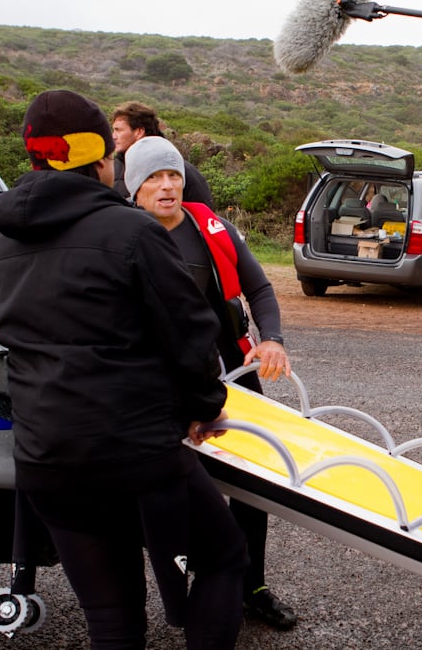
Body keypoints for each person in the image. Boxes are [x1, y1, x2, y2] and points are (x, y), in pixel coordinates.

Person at [0, 89, 248, 649]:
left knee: (111, 618)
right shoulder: (132, 233)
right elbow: (191, 335)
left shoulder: (4, 244)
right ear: (103, 160)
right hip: (134, 455)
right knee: (224, 559)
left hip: (46, 460)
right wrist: (204, 407)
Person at [124, 135, 298, 630]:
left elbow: (259, 286)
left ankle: (252, 586)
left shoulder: (209, 226)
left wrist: (273, 339)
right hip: (163, 385)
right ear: (134, 187)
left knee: (252, 483)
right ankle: (193, 585)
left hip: (231, 371)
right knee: (178, 486)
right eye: (153, 178)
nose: (166, 186)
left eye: (173, 175)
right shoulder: (123, 235)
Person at [110, 100, 214, 207]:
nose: (113, 136)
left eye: (118, 130)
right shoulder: (112, 169)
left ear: (139, 131)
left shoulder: (184, 172)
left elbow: (203, 216)